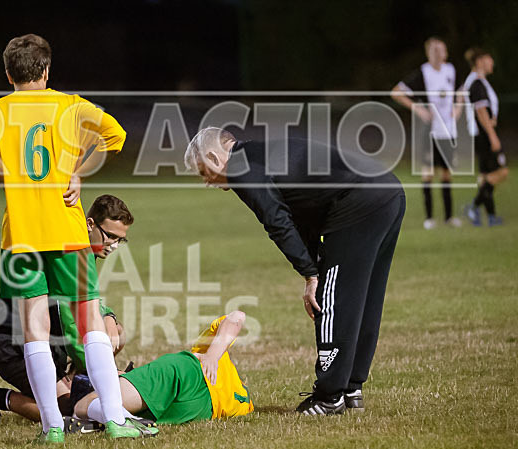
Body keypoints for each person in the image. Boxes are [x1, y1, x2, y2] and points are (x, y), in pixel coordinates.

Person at [0, 34, 150, 441]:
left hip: (21, 235)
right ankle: (114, 418)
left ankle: (53, 427)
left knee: (34, 328)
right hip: (67, 230)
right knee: (90, 324)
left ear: (8, 74)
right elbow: (117, 137)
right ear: (47, 70)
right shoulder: (71, 106)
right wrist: (79, 170)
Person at [185, 127, 405, 415]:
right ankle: (351, 387)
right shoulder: (262, 154)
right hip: (388, 191)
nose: (206, 182)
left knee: (331, 298)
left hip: (358, 201)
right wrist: (311, 266)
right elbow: (304, 212)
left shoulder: (242, 167)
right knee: (364, 297)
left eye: (204, 171)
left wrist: (312, 276)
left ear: (214, 156)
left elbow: (277, 222)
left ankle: (330, 395)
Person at [0, 195, 132, 426]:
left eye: (121, 240)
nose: (114, 246)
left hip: (50, 344)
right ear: (89, 224)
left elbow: (90, 310)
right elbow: (71, 323)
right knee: (70, 408)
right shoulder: (67, 253)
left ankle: (75, 383)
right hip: (13, 346)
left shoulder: (83, 253)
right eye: (111, 237)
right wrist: (105, 379)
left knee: (115, 332)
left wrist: (109, 318)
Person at [73, 311, 252, 427]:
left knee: (81, 407)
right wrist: (213, 355)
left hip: (190, 381)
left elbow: (237, 316)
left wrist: (212, 355)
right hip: (194, 405)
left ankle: (123, 420)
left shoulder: (210, 357)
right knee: (83, 407)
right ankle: (126, 421)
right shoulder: (245, 403)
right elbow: (236, 318)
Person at [392, 37, 462, 229]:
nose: (440, 53)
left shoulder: (451, 70)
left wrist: (457, 109)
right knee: (428, 172)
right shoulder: (423, 73)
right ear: (429, 52)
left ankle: (449, 217)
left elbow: (460, 93)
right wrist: (418, 109)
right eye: (436, 50)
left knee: (447, 173)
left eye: (442, 49)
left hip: (447, 130)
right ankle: (429, 218)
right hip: (429, 131)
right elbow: (396, 92)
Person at [462, 48, 508, 226]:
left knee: (485, 175)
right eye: (489, 59)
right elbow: (481, 111)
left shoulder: (477, 81)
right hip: (483, 134)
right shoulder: (477, 83)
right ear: (480, 61)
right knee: (501, 172)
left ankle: (490, 216)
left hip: (479, 133)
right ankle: (473, 206)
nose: (492, 63)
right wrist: (492, 135)